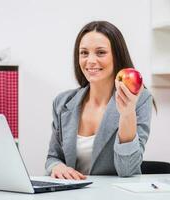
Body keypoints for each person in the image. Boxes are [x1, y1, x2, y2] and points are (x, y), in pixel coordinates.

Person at [45, 21, 153, 180]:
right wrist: (57, 166)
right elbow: (53, 158)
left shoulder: (139, 98)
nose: (90, 61)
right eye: (84, 53)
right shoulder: (62, 102)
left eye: (100, 52)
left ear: (117, 56)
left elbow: (127, 169)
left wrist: (127, 114)